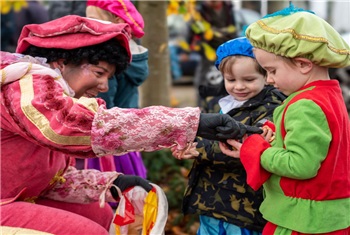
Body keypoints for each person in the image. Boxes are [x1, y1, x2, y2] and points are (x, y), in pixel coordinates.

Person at [0, 15, 262, 235]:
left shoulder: (50, 90)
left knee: (101, 214)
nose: (104, 87)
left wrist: (116, 182)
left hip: (15, 198)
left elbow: (48, 180)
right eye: (99, 73)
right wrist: (192, 122)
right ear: (61, 62)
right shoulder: (27, 85)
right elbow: (71, 127)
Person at [220, 4, 350, 234]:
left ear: (303, 64)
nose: (269, 80)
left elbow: (301, 165)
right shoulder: (328, 94)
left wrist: (254, 150)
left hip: (301, 222)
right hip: (323, 216)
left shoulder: (305, 105)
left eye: (272, 70)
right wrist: (273, 133)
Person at [172, 37, 285, 235]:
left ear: (266, 76)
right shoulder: (219, 103)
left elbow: (245, 145)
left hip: (244, 206)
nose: (239, 87)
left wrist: (197, 148)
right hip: (209, 198)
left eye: (248, 80)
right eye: (231, 80)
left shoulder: (270, 107)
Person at [84, 0, 148, 179]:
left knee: (111, 186)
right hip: (128, 129)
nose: (88, 24)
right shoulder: (132, 52)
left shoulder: (108, 58)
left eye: (91, 19)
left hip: (109, 136)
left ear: (114, 18)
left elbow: (105, 102)